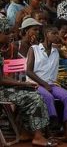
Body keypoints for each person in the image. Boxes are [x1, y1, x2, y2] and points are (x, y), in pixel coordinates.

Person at [0, 19, 57, 147]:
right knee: (34, 98)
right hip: (2, 90)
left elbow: (2, 77)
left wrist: (23, 85)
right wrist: (23, 84)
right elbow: (1, 80)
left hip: (4, 88)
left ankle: (27, 132)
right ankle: (37, 136)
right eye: (6, 33)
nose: (10, 36)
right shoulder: (11, 48)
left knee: (32, 92)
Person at [26, 25, 67, 143]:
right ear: (46, 34)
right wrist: (44, 84)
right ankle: (49, 131)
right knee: (48, 96)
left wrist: (66, 43)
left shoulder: (57, 50)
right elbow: (28, 71)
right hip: (35, 84)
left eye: (57, 34)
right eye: (53, 33)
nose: (57, 36)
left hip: (51, 84)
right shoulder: (34, 49)